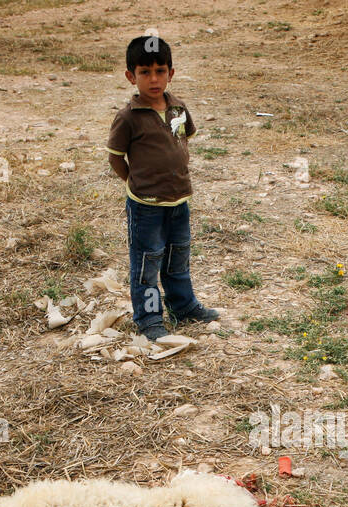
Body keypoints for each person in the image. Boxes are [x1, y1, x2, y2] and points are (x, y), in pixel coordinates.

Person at [106, 35, 219, 341]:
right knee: (147, 264)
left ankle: (184, 307)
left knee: (177, 258)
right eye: (145, 72)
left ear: (171, 72)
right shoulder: (128, 117)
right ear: (131, 76)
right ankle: (150, 318)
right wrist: (135, 182)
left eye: (160, 70)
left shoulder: (178, 108)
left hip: (178, 201)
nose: (153, 79)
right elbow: (116, 158)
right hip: (146, 207)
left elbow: (182, 141)